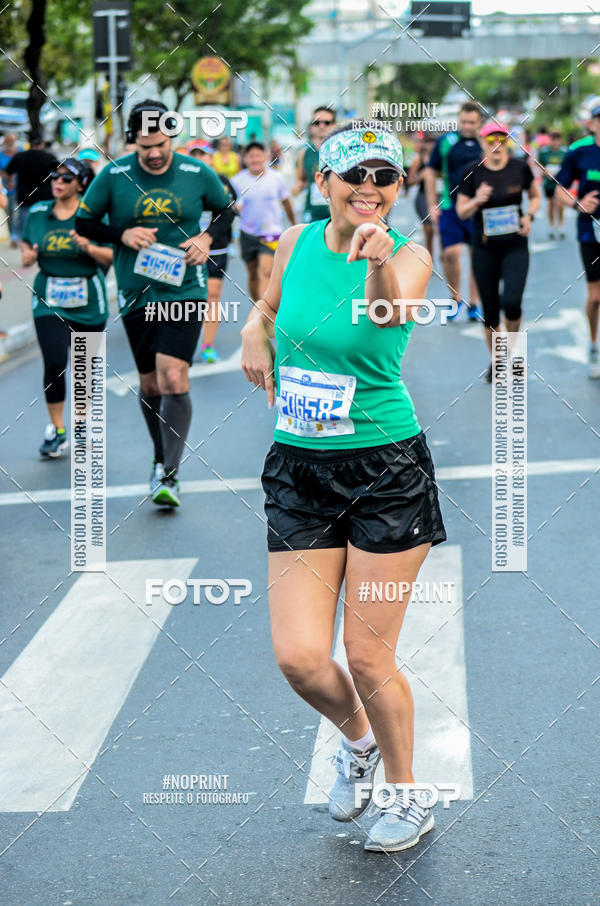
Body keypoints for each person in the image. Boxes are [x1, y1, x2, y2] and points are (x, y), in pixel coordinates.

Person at [241, 122, 447, 853]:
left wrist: (378, 261)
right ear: (321, 182)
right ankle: (355, 743)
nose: (369, 186)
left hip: (385, 469)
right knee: (299, 657)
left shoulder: (410, 254)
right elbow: (267, 308)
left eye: (384, 176)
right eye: (351, 174)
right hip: (300, 466)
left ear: (397, 189)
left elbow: (390, 315)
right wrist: (251, 335)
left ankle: (406, 793)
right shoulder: (294, 243)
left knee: (365, 655)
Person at [75, 99, 230, 506]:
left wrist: (207, 237)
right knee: (149, 383)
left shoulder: (197, 173)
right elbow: (84, 221)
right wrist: (122, 235)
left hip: (185, 289)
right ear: (133, 141)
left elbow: (227, 209)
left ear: (172, 137)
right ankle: (160, 457)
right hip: (136, 291)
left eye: (162, 144)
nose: (156, 153)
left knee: (173, 376)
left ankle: (169, 474)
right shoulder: (114, 174)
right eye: (146, 147)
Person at [20, 159, 112, 457]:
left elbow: (111, 256)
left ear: (81, 185)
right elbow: (26, 246)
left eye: (66, 178)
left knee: (84, 367)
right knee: (55, 361)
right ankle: (58, 430)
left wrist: (87, 246)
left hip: (89, 299)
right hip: (50, 297)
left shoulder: (93, 214)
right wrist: (27, 256)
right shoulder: (37, 213)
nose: (57, 182)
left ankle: (82, 424)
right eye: (55, 177)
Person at [456, 122, 540, 381]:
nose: (496, 147)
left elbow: (535, 196)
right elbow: (461, 211)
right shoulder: (473, 173)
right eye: (491, 142)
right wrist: (477, 200)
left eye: (501, 141)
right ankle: (497, 359)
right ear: (483, 144)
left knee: (512, 303)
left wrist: (529, 216)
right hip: (484, 248)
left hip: (515, 244)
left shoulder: (519, 168)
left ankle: (512, 353)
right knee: (491, 311)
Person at [424, 102, 483, 321]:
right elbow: (431, 172)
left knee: (477, 255)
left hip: (478, 207)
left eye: (471, 122)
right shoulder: (447, 142)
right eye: (463, 121)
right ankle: (455, 298)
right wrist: (432, 204)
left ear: (479, 123)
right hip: (450, 206)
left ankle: (474, 304)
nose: (467, 126)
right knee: (451, 254)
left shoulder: (485, 142)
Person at [555, 105, 600, 379]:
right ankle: (594, 345)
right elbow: (558, 190)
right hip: (590, 231)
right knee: (596, 297)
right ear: (592, 124)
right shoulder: (579, 152)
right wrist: (577, 204)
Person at [186, 140, 238, 363]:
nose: (199, 159)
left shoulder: (221, 181)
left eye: (203, 155)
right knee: (187, 300)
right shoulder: (180, 184)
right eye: (194, 155)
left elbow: (231, 209)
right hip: (186, 249)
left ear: (211, 158)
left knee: (212, 296)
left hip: (216, 247)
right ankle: (184, 346)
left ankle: (208, 346)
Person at [231, 141, 296, 303]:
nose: (255, 159)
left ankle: (264, 314)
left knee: (265, 271)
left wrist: (294, 223)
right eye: (251, 156)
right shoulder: (237, 181)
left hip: (272, 233)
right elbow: (232, 207)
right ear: (245, 159)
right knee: (253, 275)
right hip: (247, 233)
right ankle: (259, 307)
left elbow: (286, 202)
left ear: (265, 157)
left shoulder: (277, 178)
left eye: (258, 156)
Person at [5, 131, 57, 241]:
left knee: (23, 224)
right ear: (42, 143)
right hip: (45, 197)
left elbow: (8, 173)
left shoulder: (20, 156)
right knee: (44, 224)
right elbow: (58, 174)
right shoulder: (50, 157)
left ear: (29, 142)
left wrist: (10, 183)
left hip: (25, 196)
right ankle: (43, 241)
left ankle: (18, 239)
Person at [292, 106, 336, 223]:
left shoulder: (341, 150)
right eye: (317, 123)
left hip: (337, 213)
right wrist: (296, 189)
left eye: (327, 122)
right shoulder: (304, 152)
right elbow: (301, 180)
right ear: (311, 126)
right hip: (313, 214)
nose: (322, 126)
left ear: (334, 125)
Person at [406, 132, 436, 259]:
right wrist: (420, 177)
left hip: (440, 195)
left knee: (440, 229)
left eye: (432, 143)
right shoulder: (418, 159)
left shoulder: (440, 158)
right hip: (423, 196)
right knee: (428, 227)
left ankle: (444, 254)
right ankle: (429, 255)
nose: (430, 146)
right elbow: (410, 181)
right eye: (427, 143)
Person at [536, 130, 566, 239]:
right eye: (553, 139)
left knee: (561, 205)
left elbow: (568, 166)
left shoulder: (565, 152)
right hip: (548, 183)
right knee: (551, 204)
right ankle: (552, 227)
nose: (555, 142)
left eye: (557, 139)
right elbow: (538, 164)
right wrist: (545, 172)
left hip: (561, 183)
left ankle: (561, 226)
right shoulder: (544, 152)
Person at [0, 132, 21, 246]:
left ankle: (17, 235)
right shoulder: (1, 154)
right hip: (6, 188)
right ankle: (13, 234)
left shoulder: (20, 152)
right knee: (10, 212)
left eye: (11, 141)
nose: (9, 143)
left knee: (19, 211)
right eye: (7, 141)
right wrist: (6, 178)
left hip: (20, 187)